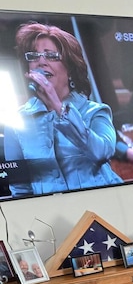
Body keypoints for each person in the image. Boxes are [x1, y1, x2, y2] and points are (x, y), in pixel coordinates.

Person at [2, 22, 123, 197]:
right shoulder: (17, 120)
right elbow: (20, 188)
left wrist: (59, 108)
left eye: (51, 56)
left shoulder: (95, 111)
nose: (41, 61)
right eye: (34, 56)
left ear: (70, 69)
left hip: (102, 205)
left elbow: (102, 153)